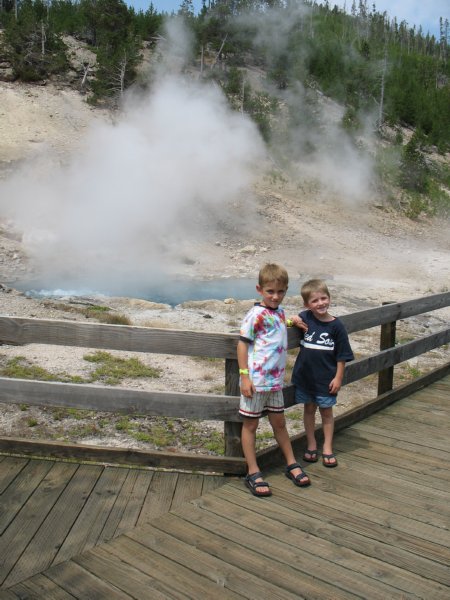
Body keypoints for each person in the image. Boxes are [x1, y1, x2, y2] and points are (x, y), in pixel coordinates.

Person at [237, 263, 310, 497]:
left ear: (286, 290)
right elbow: (242, 344)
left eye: (280, 292)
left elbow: (276, 325)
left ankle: (291, 463)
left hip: (275, 383)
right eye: (270, 291)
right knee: (251, 425)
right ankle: (253, 471)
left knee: (279, 423)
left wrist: (291, 322)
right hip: (256, 382)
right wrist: (244, 377)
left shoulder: (278, 312)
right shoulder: (255, 315)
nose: (275, 296)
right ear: (259, 289)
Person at [291, 279, 354, 468]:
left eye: (323, 298)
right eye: (315, 300)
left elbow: (342, 356)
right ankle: (311, 444)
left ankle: (327, 446)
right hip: (306, 378)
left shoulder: (337, 326)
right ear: (307, 304)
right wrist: (294, 320)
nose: (320, 303)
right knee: (309, 410)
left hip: (326, 380)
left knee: (326, 412)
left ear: (329, 298)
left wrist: (338, 377)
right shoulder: (306, 318)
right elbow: (291, 318)